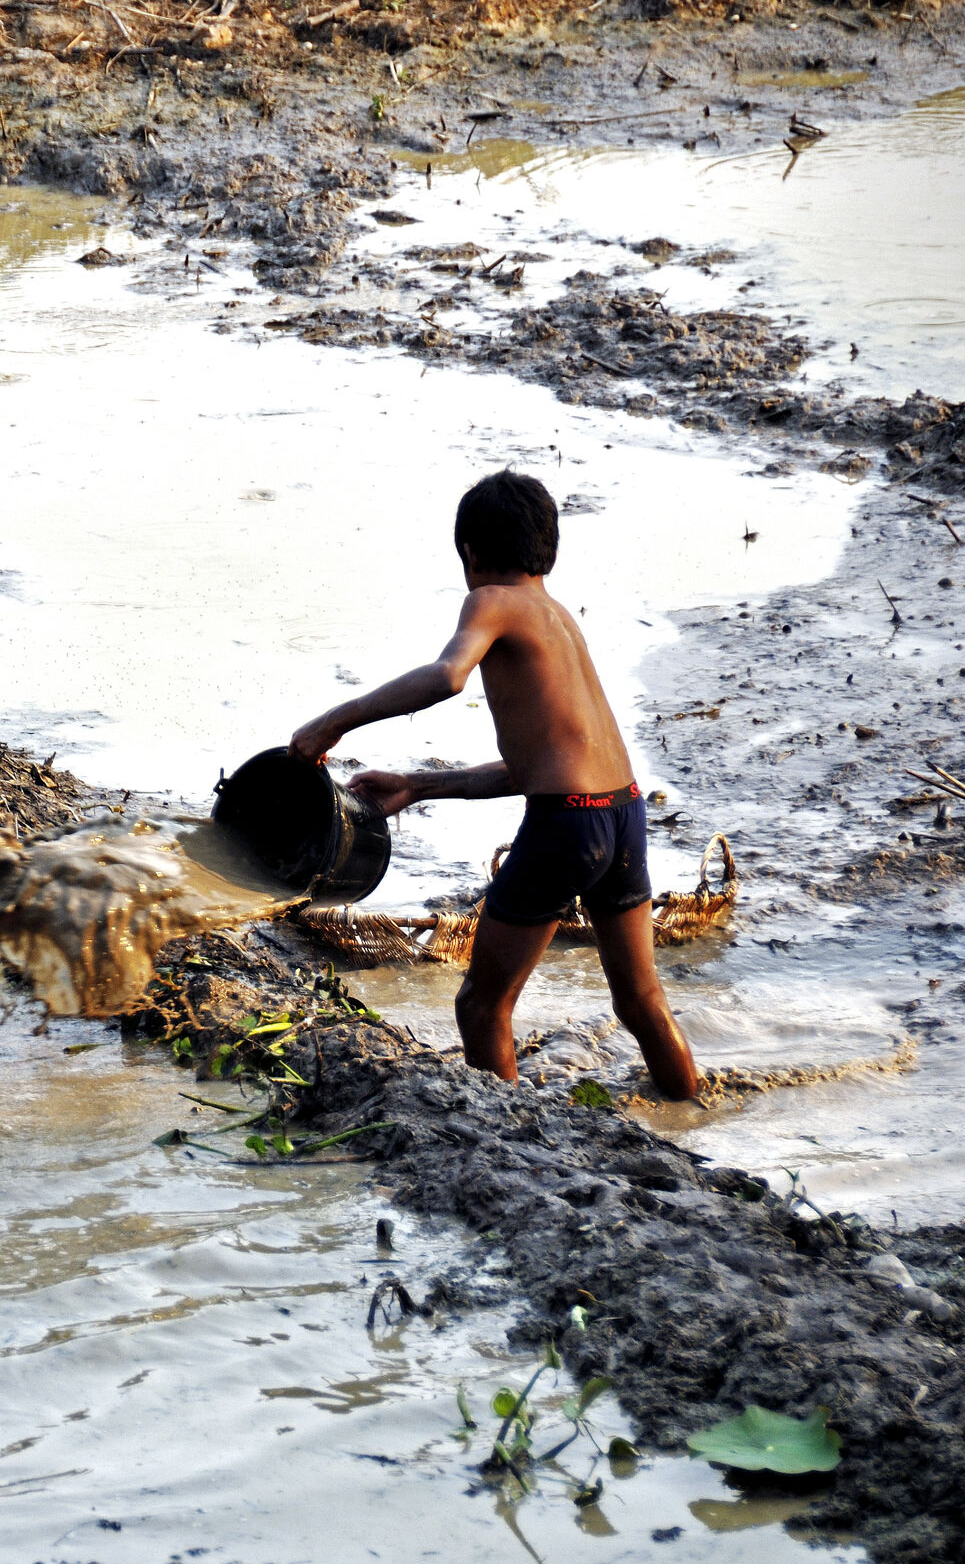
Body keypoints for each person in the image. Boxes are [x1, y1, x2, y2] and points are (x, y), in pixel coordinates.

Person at [287, 470, 700, 1102]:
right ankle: (690, 1109)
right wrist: (418, 786)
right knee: (640, 1001)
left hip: (567, 825)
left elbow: (448, 676)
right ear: (548, 550)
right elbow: (538, 771)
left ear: (470, 554)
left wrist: (333, 722)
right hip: (621, 813)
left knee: (481, 1006)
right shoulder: (559, 619)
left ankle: (510, 1140)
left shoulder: (493, 601)